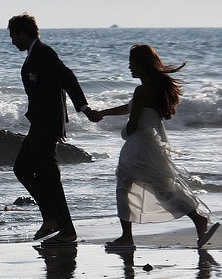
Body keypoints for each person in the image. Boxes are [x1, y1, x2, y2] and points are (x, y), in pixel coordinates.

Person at [92, 44, 219, 249]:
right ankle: (197, 219)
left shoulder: (143, 90)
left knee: (125, 185)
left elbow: (133, 123)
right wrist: (104, 112)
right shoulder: (153, 88)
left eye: (132, 63)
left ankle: (127, 237)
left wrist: (125, 132)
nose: (129, 67)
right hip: (150, 145)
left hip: (139, 146)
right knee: (162, 187)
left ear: (142, 65)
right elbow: (129, 107)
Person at [7, 13, 98, 244]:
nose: (12, 42)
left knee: (38, 173)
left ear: (23, 33)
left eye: (13, 36)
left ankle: (65, 228)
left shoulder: (44, 53)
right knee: (29, 170)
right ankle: (51, 218)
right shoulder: (34, 54)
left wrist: (84, 108)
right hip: (41, 123)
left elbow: (68, 77)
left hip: (47, 124)